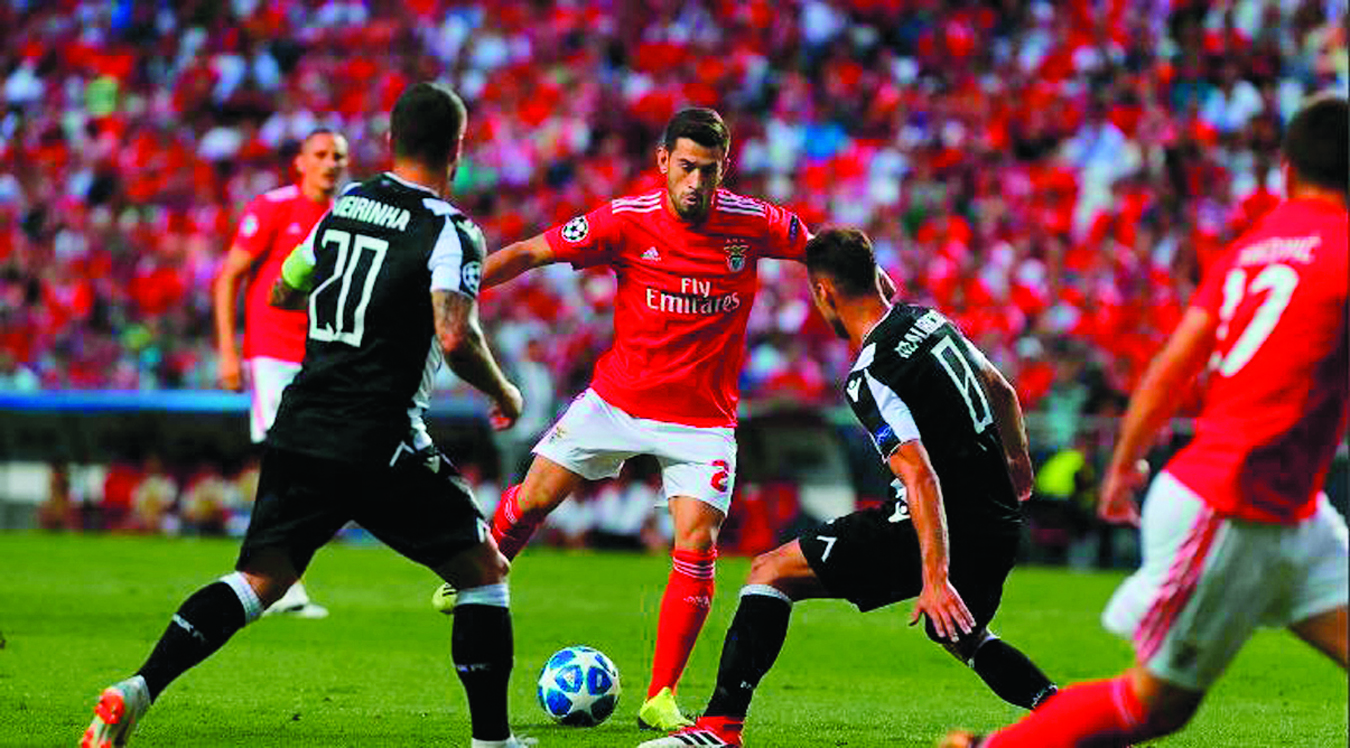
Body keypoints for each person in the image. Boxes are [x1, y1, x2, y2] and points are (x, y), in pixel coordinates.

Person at [82, 82, 533, 748]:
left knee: (258, 580)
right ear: (457, 150)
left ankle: (136, 690)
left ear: (388, 143)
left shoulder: (343, 207)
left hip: (302, 423)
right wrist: (504, 392)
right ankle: (492, 743)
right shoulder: (450, 229)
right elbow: (455, 335)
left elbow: (288, 284)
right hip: (378, 435)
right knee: (483, 570)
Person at [941, 93, 1348, 748]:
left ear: (1288, 168)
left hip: (1290, 513)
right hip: (1232, 506)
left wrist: (1126, 460)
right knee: (1154, 705)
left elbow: (1172, 364)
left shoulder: (1254, 249)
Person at [434, 107, 815, 731]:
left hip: (702, 421)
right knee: (533, 499)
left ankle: (660, 694)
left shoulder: (754, 222)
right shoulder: (624, 220)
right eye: (686, 166)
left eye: (709, 171)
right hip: (617, 400)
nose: (696, 182)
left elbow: (828, 253)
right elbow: (532, 251)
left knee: (698, 542)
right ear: (663, 161)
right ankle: (476, 574)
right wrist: (459, 292)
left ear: (726, 170)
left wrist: (875, 301)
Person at [639, 228, 1057, 747]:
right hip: (997, 523)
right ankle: (1071, 720)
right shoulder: (929, 321)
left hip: (933, 526)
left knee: (770, 572)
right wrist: (1016, 459)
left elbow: (920, 475)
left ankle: (720, 728)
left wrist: (934, 576)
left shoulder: (870, 373)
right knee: (961, 633)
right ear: (878, 275)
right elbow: (1002, 389)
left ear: (824, 293)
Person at [212, 127, 349, 618]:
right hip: (271, 351)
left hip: (320, 355)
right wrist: (229, 351)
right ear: (300, 162)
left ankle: (266, 577)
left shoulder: (344, 216)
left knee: (311, 466)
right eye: (321, 154)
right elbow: (229, 276)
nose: (331, 162)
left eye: (338, 155)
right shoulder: (273, 207)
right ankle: (275, 584)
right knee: (291, 462)